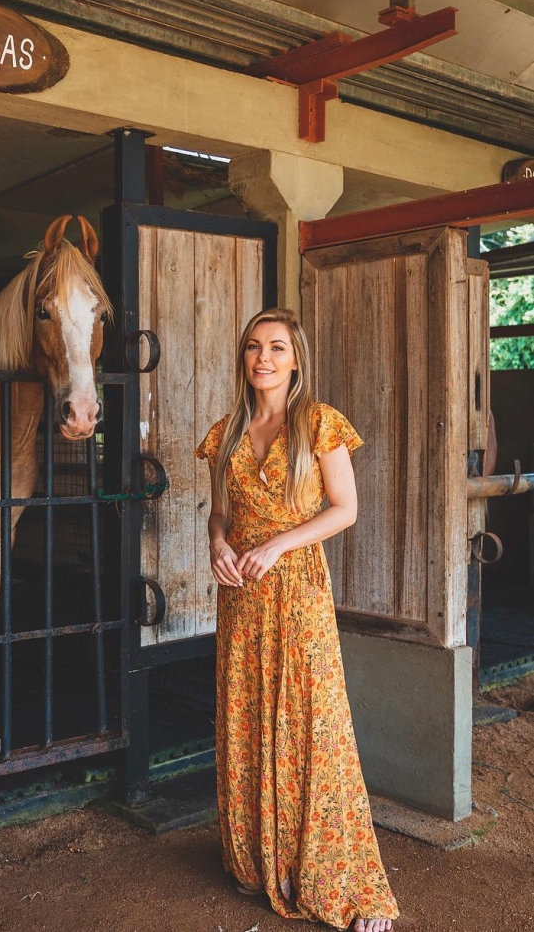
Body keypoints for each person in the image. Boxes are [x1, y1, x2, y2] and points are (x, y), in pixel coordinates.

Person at [196, 307, 398, 932]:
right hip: (241, 597)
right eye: (254, 347)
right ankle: (265, 862)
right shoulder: (225, 432)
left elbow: (346, 509)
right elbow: (220, 513)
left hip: (297, 592)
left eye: (277, 348)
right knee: (248, 717)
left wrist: (279, 544)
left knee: (313, 723)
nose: (264, 358)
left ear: (296, 359)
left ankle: (332, 873)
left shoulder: (319, 425)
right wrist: (218, 545)